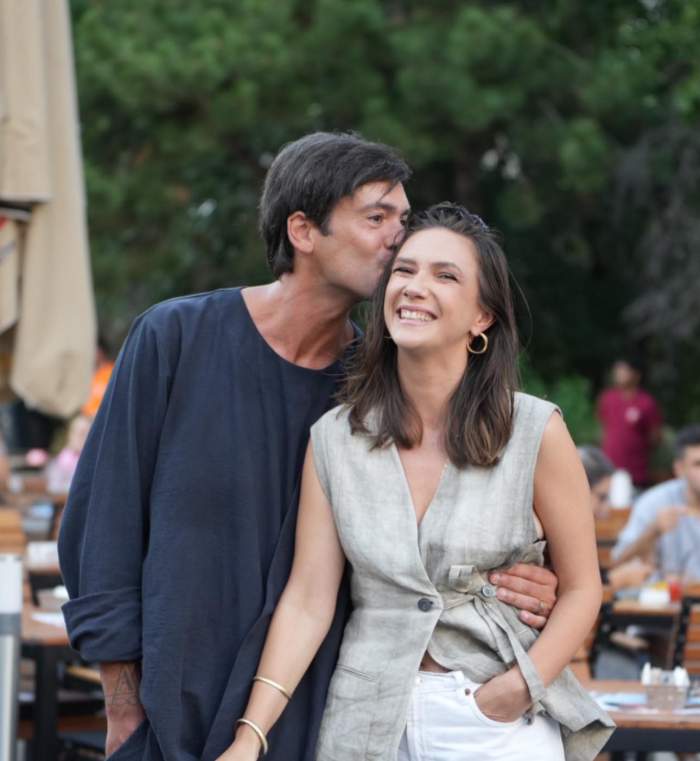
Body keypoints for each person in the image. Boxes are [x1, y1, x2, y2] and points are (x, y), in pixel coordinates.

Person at [58, 134, 558, 761]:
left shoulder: (380, 388)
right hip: (169, 714)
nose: (398, 240)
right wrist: (123, 702)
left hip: (318, 717)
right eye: (376, 217)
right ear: (302, 230)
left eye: (403, 220)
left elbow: (440, 537)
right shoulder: (175, 339)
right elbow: (101, 529)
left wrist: (526, 584)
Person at [220, 204, 613, 761]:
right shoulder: (336, 438)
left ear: (482, 317)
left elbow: (582, 588)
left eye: (445, 275)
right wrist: (249, 736)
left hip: (491, 720)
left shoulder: (534, 430)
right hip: (364, 722)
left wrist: (518, 688)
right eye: (404, 270)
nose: (414, 286)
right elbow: (308, 601)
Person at [612, 424, 700, 580]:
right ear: (679, 468)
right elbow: (616, 563)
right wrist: (652, 531)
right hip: (666, 594)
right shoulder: (654, 503)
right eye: (698, 464)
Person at [578, 446, 653, 591]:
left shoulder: (578, 534)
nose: (606, 510)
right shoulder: (556, 535)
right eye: (602, 497)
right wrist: (617, 580)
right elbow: (573, 590)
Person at [597, 358, 663, 488]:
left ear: (636, 375)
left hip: (636, 472)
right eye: (617, 370)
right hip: (609, 469)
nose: (619, 374)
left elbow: (655, 437)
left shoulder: (646, 402)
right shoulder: (607, 398)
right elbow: (603, 428)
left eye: (623, 370)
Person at [81, 336, 115, 418]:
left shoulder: (112, 371)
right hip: (86, 417)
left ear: (101, 351)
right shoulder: (87, 374)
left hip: (105, 417)